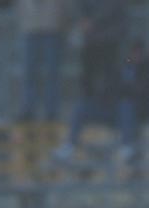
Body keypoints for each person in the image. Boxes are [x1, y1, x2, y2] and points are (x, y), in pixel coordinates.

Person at [54, 0, 128, 163]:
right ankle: (69, 145)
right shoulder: (90, 56)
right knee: (81, 106)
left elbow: (115, 11)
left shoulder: (116, 56)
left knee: (126, 105)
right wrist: (85, 22)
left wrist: (93, 22)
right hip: (98, 103)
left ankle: (126, 145)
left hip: (114, 105)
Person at [17, 0, 73, 122]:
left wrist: (64, 22)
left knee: (52, 74)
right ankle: (28, 109)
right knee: (29, 73)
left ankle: (51, 111)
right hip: (30, 26)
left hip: (53, 27)